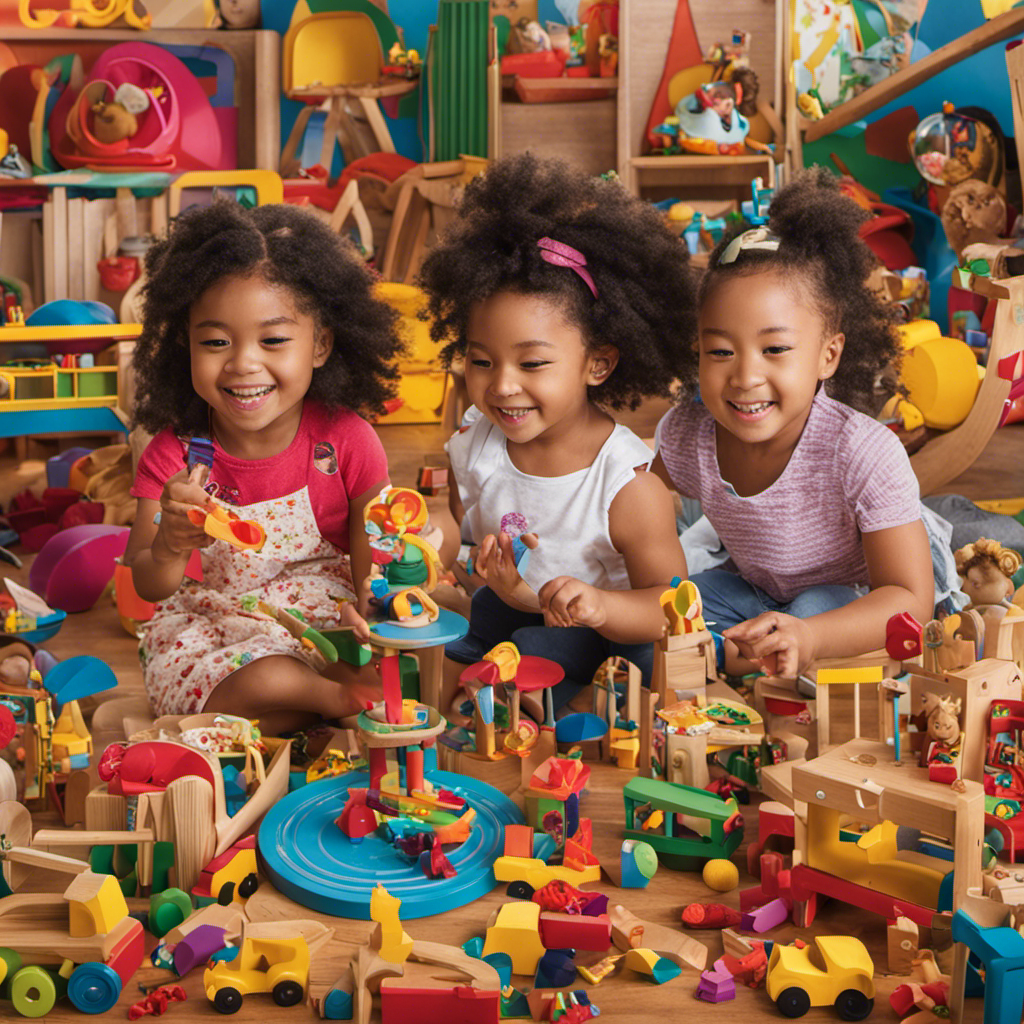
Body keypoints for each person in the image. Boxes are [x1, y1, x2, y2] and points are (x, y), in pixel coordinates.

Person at [418, 154, 696, 711]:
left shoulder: (628, 486)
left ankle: (553, 704)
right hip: (514, 609)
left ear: (598, 364)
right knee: (452, 641)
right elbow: (453, 522)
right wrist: (433, 543)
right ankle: (490, 695)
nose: (502, 386)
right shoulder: (476, 444)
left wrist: (597, 605)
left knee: (548, 650)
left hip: (611, 633)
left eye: (533, 364)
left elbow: (676, 610)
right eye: (481, 361)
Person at [123, 199, 404, 733]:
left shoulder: (346, 441)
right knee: (264, 681)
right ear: (186, 343)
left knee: (423, 648)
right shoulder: (175, 453)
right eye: (215, 342)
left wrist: (377, 621)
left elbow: (376, 567)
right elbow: (149, 583)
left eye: (273, 340)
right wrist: (170, 544)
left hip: (323, 623)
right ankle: (328, 701)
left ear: (320, 344)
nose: (243, 363)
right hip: (217, 626)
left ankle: (316, 702)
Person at [652, 166, 937, 680]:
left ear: (828, 356)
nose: (744, 376)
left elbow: (910, 598)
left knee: (806, 617)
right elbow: (634, 508)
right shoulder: (687, 434)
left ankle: (755, 661)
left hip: (851, 601)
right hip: (754, 592)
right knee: (672, 612)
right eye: (719, 351)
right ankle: (737, 660)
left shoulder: (861, 450)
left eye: (775, 349)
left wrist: (810, 637)